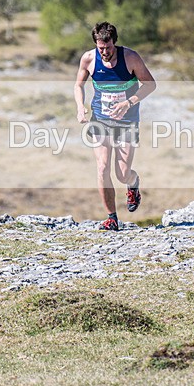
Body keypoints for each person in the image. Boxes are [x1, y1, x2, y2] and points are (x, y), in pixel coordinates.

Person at [74, 22, 157, 230]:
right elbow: (78, 84)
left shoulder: (130, 58)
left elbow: (150, 84)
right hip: (100, 120)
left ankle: (133, 183)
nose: (105, 52)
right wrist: (80, 106)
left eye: (108, 48)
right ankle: (112, 217)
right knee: (102, 168)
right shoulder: (89, 59)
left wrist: (129, 102)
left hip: (127, 122)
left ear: (115, 43)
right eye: (100, 48)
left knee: (122, 174)